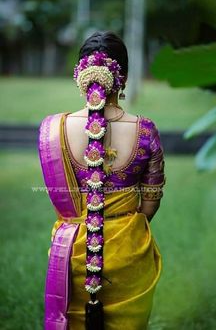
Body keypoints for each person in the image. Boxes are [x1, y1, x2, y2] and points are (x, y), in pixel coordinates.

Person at [38, 31, 166, 330]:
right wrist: (124, 226)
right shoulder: (144, 130)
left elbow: (58, 194)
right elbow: (151, 200)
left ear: (80, 74)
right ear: (122, 78)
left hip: (72, 253)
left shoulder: (53, 128)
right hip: (128, 250)